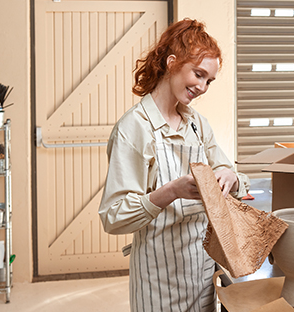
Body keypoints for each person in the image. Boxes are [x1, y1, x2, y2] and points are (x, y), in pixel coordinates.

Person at [98, 18, 250, 312]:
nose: (203, 87)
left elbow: (232, 178)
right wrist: (171, 191)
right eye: (198, 74)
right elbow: (113, 216)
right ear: (171, 63)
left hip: (203, 273)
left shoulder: (196, 125)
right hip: (159, 278)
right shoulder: (135, 128)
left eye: (209, 80)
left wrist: (229, 176)